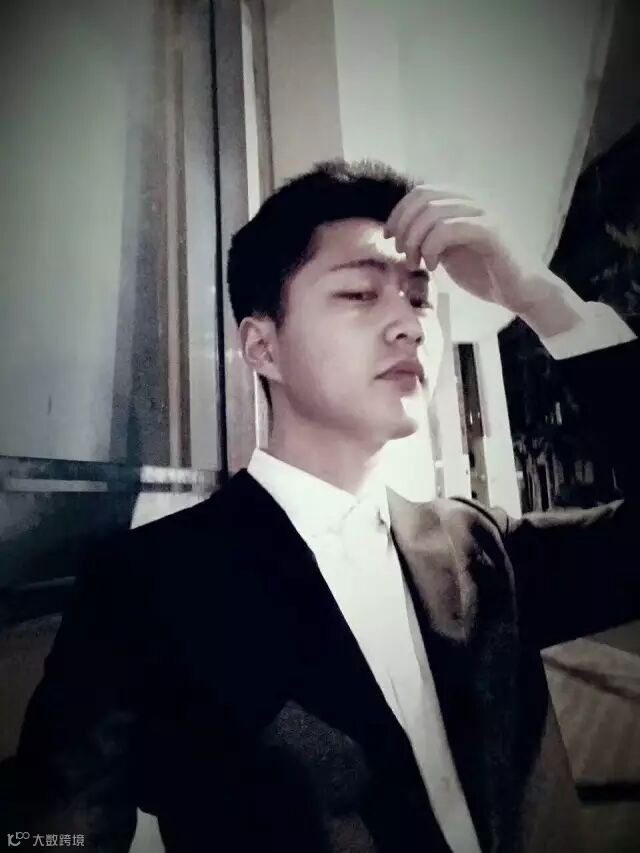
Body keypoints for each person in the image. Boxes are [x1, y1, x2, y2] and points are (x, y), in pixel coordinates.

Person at [3, 160, 639, 853]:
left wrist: (544, 298)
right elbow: (51, 833)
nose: (407, 324)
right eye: (361, 293)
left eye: (419, 298)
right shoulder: (145, 586)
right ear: (263, 347)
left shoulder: (480, 547)